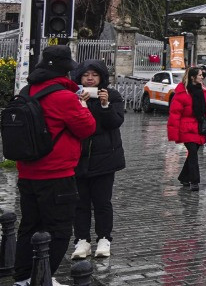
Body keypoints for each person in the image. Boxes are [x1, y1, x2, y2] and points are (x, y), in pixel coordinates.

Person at [11, 45, 98, 285]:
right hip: (56, 174)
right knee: (59, 230)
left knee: (29, 227)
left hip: (27, 172)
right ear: (64, 71)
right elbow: (87, 128)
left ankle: (22, 278)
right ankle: (42, 277)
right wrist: (82, 105)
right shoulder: (64, 97)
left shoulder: (27, 91)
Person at [71, 60, 125, 260]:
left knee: (102, 202)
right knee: (80, 203)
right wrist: (81, 104)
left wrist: (105, 105)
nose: (90, 78)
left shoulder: (112, 95)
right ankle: (81, 240)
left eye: (94, 75)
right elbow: (72, 124)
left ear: (101, 77)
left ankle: (104, 238)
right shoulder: (73, 96)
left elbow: (115, 122)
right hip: (79, 158)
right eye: (86, 75)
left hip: (105, 158)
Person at [167, 67, 206, 192]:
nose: (202, 77)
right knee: (193, 153)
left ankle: (184, 178)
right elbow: (175, 114)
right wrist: (174, 133)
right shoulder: (181, 94)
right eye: (200, 75)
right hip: (186, 129)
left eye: (202, 75)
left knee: (192, 153)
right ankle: (194, 181)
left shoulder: (204, 92)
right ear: (192, 77)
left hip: (200, 128)